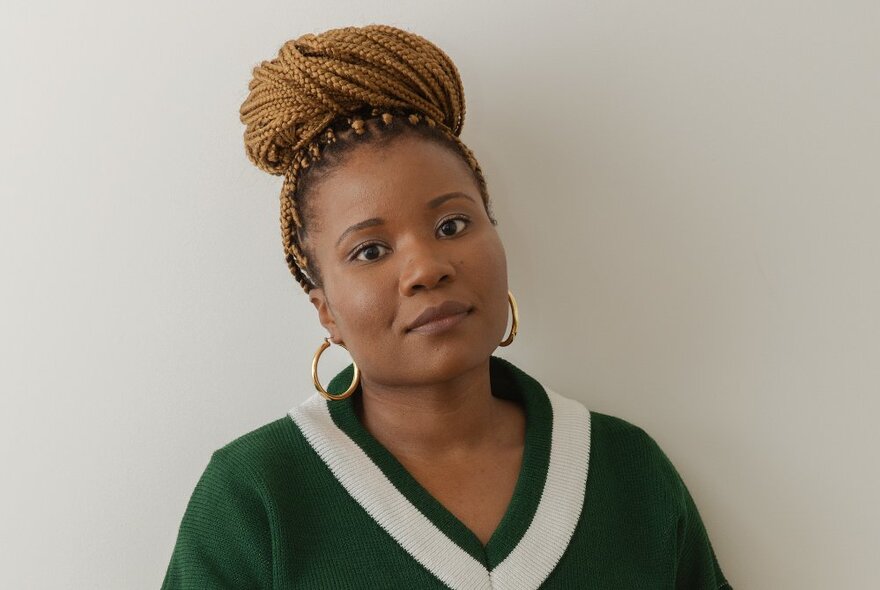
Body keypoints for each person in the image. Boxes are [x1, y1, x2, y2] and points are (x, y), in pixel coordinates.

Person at [161, 24, 733, 589]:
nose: (426, 268)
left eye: (452, 224)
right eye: (370, 250)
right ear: (326, 311)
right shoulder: (254, 497)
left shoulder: (627, 472)